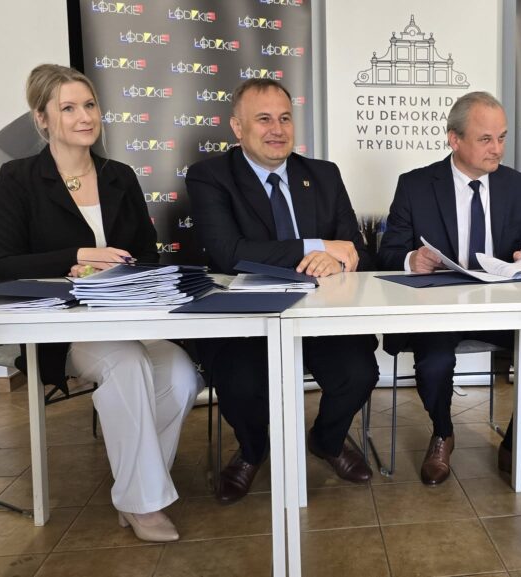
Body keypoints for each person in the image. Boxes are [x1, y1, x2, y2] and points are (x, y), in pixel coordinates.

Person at [0, 64, 202, 542]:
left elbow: (147, 255)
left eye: (89, 105)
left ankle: (135, 488)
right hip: (65, 328)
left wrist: (119, 270)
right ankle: (144, 505)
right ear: (42, 118)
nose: (84, 117)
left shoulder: (118, 175)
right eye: (68, 108)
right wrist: (79, 257)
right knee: (127, 364)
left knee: (182, 375)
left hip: (127, 318)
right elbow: (0, 264)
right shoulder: (19, 178)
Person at [186, 79, 379, 502]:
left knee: (360, 373)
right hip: (246, 319)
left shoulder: (323, 175)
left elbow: (356, 250)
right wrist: (315, 246)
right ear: (237, 127)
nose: (277, 129)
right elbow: (228, 253)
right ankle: (253, 450)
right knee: (239, 385)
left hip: (318, 315)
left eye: (285, 118)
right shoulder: (210, 176)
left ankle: (327, 441)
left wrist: (337, 260)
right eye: (264, 119)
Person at [377, 92, 521, 489]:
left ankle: (516, 446)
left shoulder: (516, 185)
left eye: (502, 137)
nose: (497, 148)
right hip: (438, 310)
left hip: (500, 307)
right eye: (486, 139)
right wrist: (411, 259)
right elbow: (387, 252)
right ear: (454, 139)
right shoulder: (416, 185)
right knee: (434, 362)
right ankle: (443, 433)